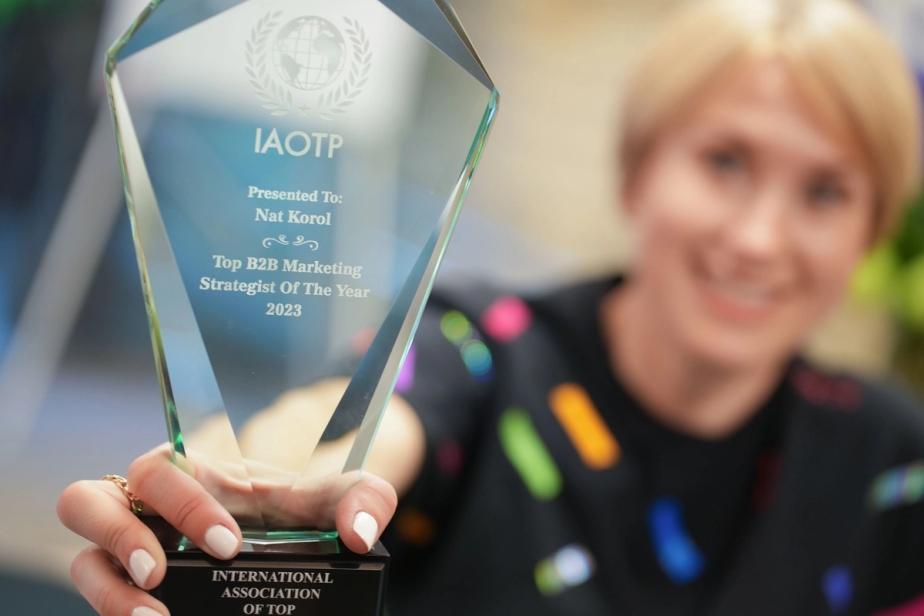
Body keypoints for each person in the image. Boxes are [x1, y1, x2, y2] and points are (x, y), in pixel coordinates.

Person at [58, 0, 924, 614]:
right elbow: (359, 430)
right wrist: (235, 488)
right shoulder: (482, 349)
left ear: (872, 232)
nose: (760, 238)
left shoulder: (892, 463)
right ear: (637, 172)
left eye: (825, 191)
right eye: (725, 161)